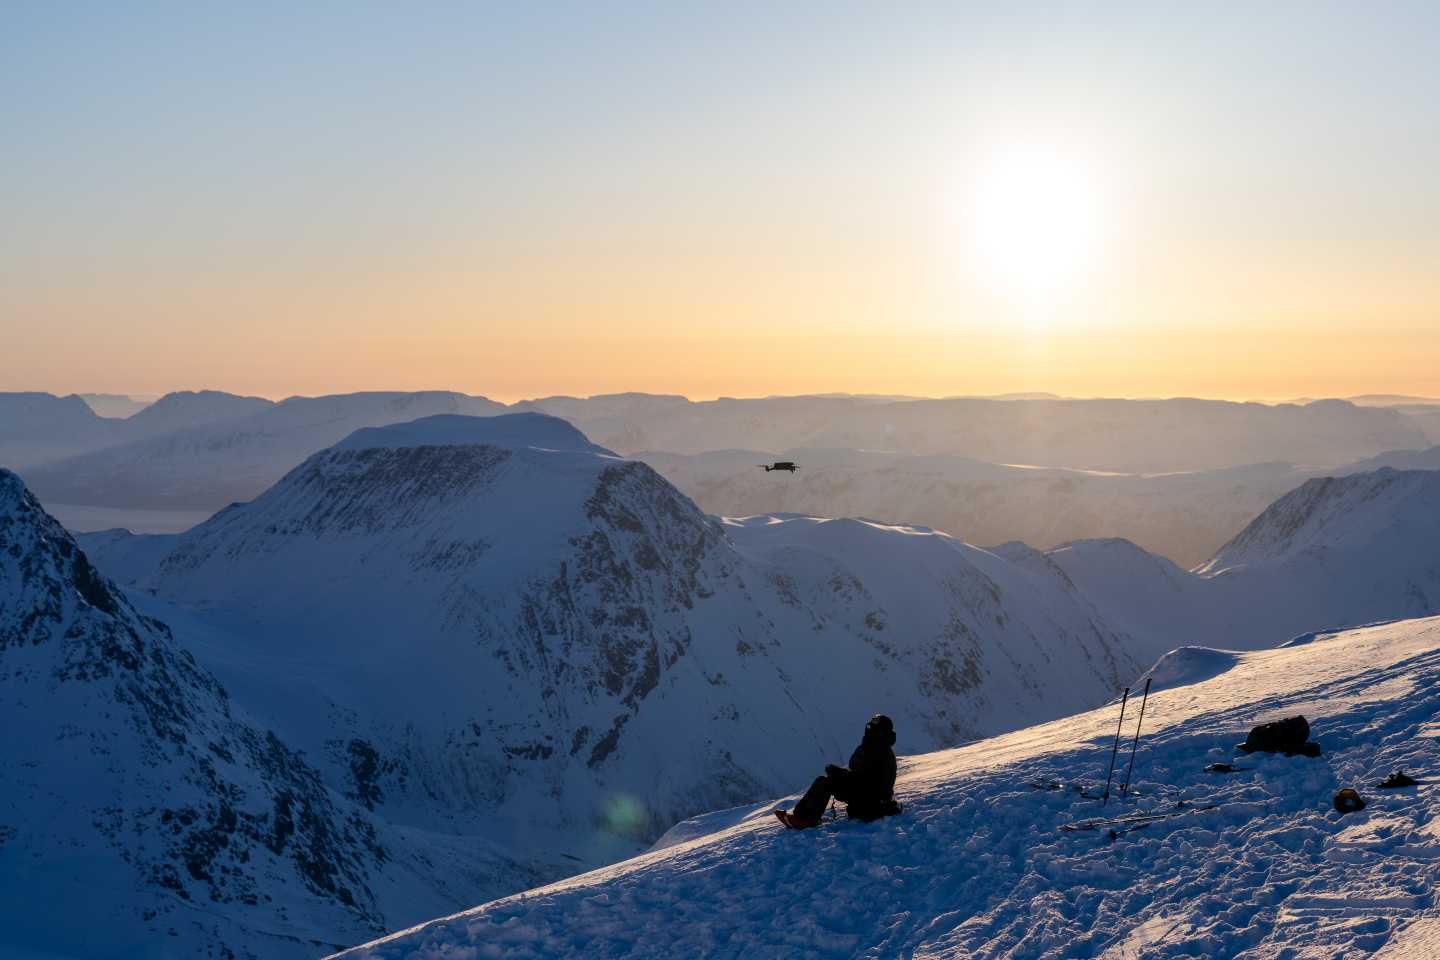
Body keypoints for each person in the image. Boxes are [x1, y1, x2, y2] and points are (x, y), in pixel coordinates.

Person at [774, 714, 901, 829]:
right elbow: (859, 774)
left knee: (826, 783)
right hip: (866, 794)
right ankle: (800, 816)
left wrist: (839, 775)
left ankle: (805, 819)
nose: (868, 730)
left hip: (871, 799)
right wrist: (839, 773)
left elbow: (868, 781)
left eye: (872, 728)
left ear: (879, 732)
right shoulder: (873, 747)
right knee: (823, 780)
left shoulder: (880, 752)